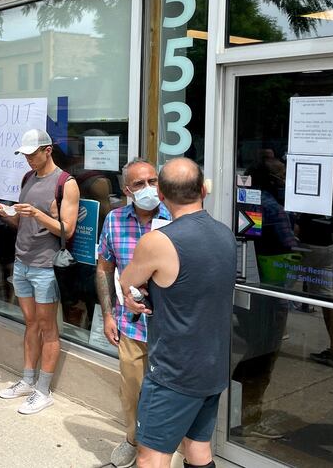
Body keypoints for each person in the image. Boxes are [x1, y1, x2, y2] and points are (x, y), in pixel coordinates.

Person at [119, 158, 236, 468]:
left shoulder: (158, 241)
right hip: (213, 365)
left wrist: (135, 296)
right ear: (203, 190)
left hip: (174, 371)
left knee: (151, 457)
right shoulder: (225, 235)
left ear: (161, 195)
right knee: (197, 449)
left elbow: (127, 281)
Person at [0, 128, 79, 414]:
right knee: (30, 323)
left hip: (45, 265)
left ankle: (44, 389)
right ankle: (28, 380)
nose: (28, 159)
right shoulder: (28, 177)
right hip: (22, 261)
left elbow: (68, 230)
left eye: (32, 154)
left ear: (48, 150)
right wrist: (8, 216)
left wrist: (37, 213)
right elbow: (26, 224)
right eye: (25, 155)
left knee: (47, 327)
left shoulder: (66, 183)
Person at [95, 159, 170, 468]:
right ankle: (133, 440)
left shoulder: (176, 217)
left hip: (172, 328)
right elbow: (103, 269)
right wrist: (109, 314)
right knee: (132, 393)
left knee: (169, 394)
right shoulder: (114, 220)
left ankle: (163, 447)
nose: (148, 189)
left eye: (152, 181)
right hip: (133, 327)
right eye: (139, 184)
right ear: (127, 190)